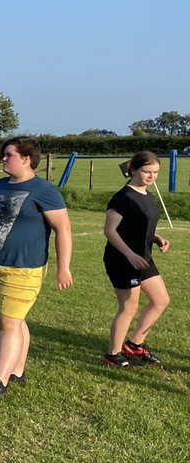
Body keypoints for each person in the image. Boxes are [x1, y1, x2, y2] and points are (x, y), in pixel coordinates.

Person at [0, 137, 73, 398]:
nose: (2, 158)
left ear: (26, 159)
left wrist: (63, 267)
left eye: (8, 155)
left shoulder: (44, 190)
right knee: (13, 319)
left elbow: (63, 228)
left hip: (21, 269)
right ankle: (17, 371)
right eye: (3, 154)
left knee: (6, 324)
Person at [102, 151, 170, 367]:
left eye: (156, 172)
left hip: (143, 258)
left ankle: (135, 345)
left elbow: (138, 225)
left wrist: (156, 237)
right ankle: (113, 355)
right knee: (128, 308)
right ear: (133, 170)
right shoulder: (123, 197)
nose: (152, 176)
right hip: (123, 259)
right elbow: (110, 231)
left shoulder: (146, 194)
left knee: (161, 301)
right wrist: (129, 254)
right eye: (147, 171)